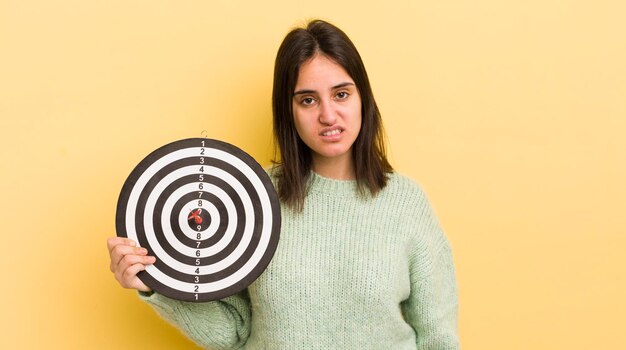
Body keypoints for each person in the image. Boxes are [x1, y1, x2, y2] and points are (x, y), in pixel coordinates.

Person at [107, 19, 459, 349]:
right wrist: (156, 287)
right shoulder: (252, 198)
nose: (327, 115)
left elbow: (438, 338)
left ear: (362, 98)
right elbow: (233, 332)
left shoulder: (406, 202)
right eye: (308, 99)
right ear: (287, 110)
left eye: (341, 94)